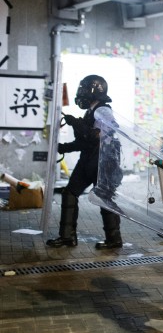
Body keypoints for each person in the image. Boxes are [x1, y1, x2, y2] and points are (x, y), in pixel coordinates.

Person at [47, 75, 123, 250]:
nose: (81, 93)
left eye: (84, 89)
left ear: (95, 91)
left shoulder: (103, 111)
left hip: (102, 163)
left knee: (104, 199)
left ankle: (114, 240)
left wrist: (76, 124)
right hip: (88, 161)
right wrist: (64, 147)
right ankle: (67, 237)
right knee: (69, 193)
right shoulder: (90, 111)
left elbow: (96, 137)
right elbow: (85, 142)